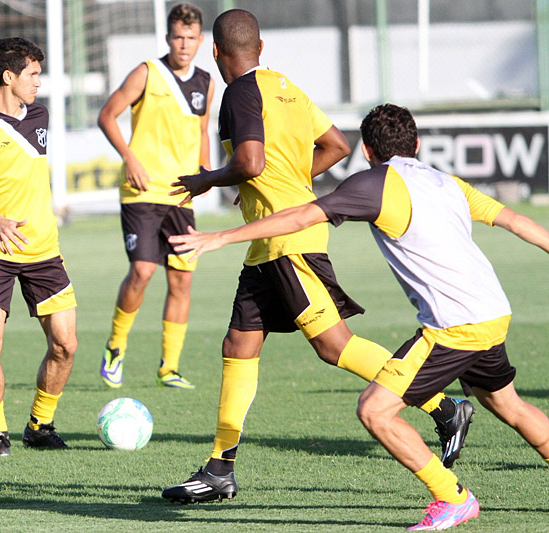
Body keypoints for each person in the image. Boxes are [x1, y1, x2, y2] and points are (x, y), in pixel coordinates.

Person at [168, 103, 549, 530]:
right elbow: (514, 220)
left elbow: (298, 216)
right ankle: (452, 437)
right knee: (508, 405)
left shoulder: (373, 185)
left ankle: (453, 498)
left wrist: (221, 237)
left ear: (366, 151)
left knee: (375, 411)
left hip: (456, 326)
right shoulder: (446, 182)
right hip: (494, 310)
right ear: (417, 144)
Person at [160, 10, 472, 504]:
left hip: (288, 244)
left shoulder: (239, 92)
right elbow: (337, 145)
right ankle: (220, 467)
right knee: (238, 346)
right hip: (270, 245)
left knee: (335, 346)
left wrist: (207, 180)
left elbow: (250, 162)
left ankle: (441, 405)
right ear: (260, 47)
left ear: (215, 53)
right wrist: (290, 184)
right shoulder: (287, 87)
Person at [0, 37, 77, 456]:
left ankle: (39, 426)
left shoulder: (39, 115)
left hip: (43, 250)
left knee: (65, 344)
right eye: (33, 74)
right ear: (9, 77)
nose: (39, 82)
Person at [97, 3, 215, 390]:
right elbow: (108, 115)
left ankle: (169, 367)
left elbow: (201, 134)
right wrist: (129, 157)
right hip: (142, 192)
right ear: (168, 38)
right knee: (143, 271)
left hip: (181, 197)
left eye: (191, 38)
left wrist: (208, 175)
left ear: (200, 41)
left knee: (182, 281)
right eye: (178, 37)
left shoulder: (206, 82)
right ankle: (115, 348)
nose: (184, 45)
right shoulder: (148, 72)